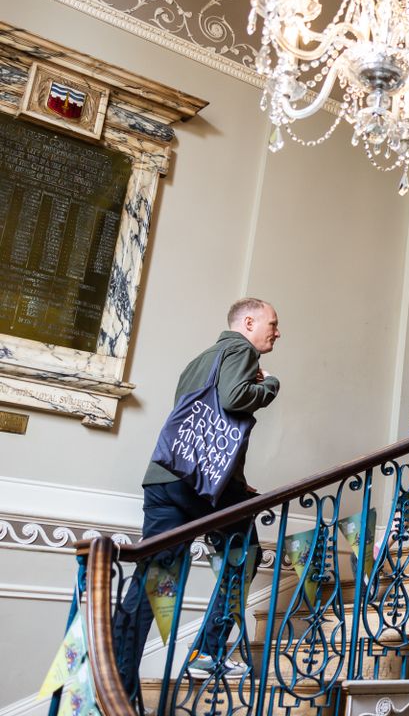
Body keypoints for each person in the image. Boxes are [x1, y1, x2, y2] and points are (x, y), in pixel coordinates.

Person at [114, 297, 281, 696]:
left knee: (154, 578)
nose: (277, 332)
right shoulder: (241, 350)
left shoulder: (200, 359)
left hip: (165, 479)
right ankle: (208, 650)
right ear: (248, 322)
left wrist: (236, 482)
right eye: (273, 323)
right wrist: (271, 384)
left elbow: (207, 426)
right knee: (245, 553)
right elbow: (233, 400)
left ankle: (117, 680)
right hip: (197, 486)